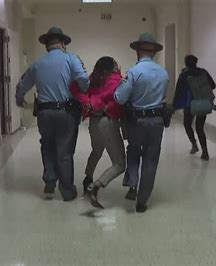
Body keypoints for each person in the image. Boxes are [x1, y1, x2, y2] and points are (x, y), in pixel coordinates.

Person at [15, 27, 89, 201]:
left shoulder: (37, 64)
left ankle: (50, 179)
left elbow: (22, 86)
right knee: (64, 149)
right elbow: (84, 80)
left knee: (47, 145)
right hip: (66, 112)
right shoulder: (71, 58)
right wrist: (84, 91)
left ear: (46, 45)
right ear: (63, 43)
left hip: (45, 113)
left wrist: (19, 100)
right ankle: (67, 190)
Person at [114, 33, 169, 213]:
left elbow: (120, 99)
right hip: (157, 121)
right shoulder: (163, 73)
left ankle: (132, 184)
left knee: (134, 149)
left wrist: (121, 84)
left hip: (137, 121)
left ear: (138, 51)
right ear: (154, 52)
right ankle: (142, 202)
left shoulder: (134, 72)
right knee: (151, 159)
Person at [70, 56, 126, 209]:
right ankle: (95, 187)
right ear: (112, 68)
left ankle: (87, 178)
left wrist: (87, 103)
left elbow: (74, 88)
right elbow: (120, 100)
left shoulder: (92, 79)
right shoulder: (116, 79)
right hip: (107, 122)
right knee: (120, 164)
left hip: (93, 123)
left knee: (96, 151)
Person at [172, 55, 216, 161]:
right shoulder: (203, 72)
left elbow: (178, 91)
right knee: (200, 128)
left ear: (186, 63)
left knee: (187, 125)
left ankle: (194, 145)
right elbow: (213, 85)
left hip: (189, 105)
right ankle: (205, 152)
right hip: (202, 103)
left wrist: (174, 106)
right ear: (196, 62)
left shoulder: (184, 75)